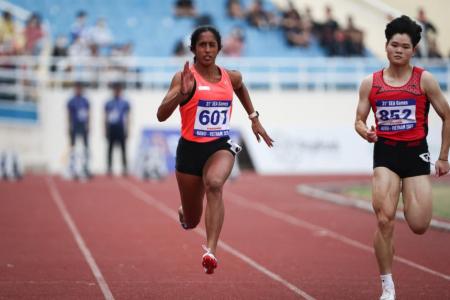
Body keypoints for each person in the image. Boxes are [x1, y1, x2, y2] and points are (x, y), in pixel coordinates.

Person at [157, 25, 273, 274]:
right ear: (194, 50)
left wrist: (254, 117)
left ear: (219, 48)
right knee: (191, 220)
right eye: (202, 45)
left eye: (212, 45)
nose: (207, 50)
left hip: (219, 146)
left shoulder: (230, 77)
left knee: (215, 185)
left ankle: (210, 251)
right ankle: (185, 212)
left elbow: (240, 87)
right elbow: (161, 115)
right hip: (189, 152)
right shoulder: (183, 78)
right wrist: (181, 95)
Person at [354, 15, 450, 300]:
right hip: (385, 153)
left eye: (405, 47)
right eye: (394, 45)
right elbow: (358, 120)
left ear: (413, 50)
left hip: (415, 154)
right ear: (385, 46)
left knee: (419, 225)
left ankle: (410, 194)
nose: (399, 50)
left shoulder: (425, 80)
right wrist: (366, 133)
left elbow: (447, 115)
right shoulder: (370, 83)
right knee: (384, 219)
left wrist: (443, 157)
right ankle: (387, 285)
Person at [105, 82, 131, 176]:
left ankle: (124, 167)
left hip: (120, 128)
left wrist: (127, 129)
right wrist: (105, 129)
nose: (116, 92)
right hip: (112, 128)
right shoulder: (109, 103)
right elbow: (105, 117)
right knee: (110, 149)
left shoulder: (124, 103)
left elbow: (127, 117)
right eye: (115, 90)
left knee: (123, 149)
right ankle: (109, 167)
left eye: (118, 90)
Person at [67, 81, 91, 179]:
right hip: (74, 125)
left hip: (83, 125)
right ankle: (72, 167)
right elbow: (68, 114)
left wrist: (89, 125)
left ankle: (85, 167)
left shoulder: (85, 100)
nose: (78, 90)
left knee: (85, 147)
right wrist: (68, 125)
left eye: (80, 88)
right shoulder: (71, 101)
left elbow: (88, 113)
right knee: (72, 147)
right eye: (77, 88)